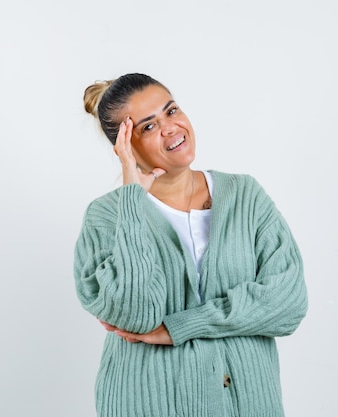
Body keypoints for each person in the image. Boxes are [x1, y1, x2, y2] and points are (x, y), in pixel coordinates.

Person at [74, 73, 307, 417]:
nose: (170, 128)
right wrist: (132, 199)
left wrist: (180, 327)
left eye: (171, 111)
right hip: (147, 405)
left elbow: (288, 303)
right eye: (148, 127)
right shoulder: (107, 216)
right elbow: (136, 315)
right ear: (125, 147)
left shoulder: (245, 196)